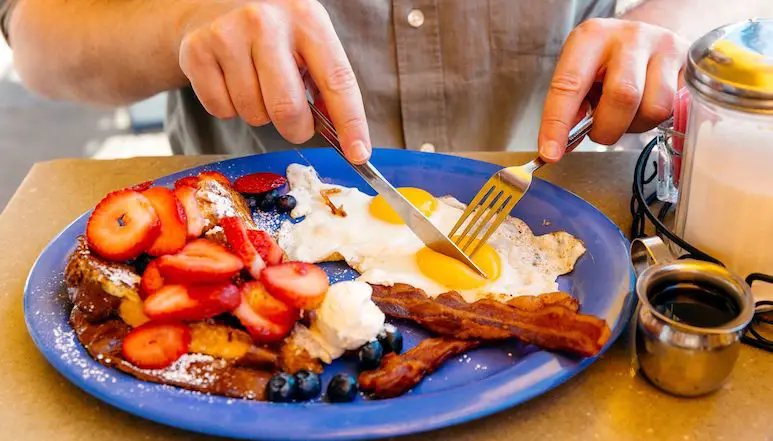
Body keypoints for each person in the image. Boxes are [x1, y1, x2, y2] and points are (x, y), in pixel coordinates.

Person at [0, 1, 769, 165]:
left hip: (577, 220)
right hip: (255, 255)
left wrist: (666, 28)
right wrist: (178, 24)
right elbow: (35, 39)